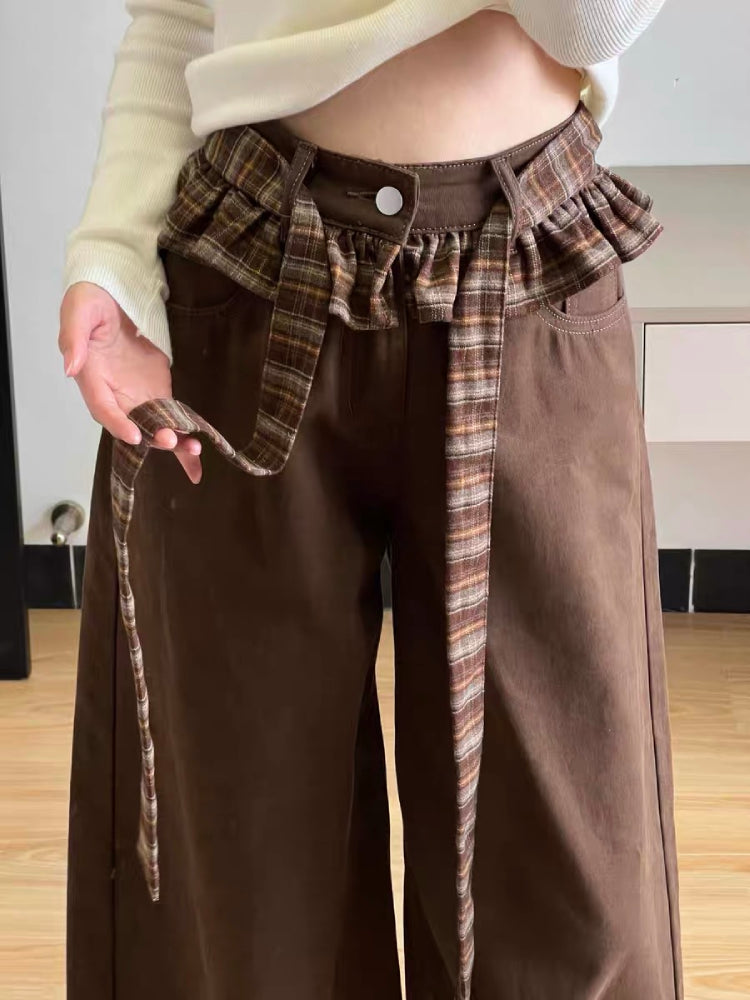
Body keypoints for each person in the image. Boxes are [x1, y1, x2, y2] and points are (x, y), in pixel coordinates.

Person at [59, 4, 684, 999]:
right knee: (243, 880)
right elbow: (177, 15)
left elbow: (589, 25)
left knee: (570, 885)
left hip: (527, 264)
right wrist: (112, 251)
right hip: (250, 258)